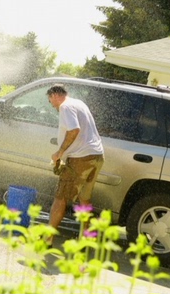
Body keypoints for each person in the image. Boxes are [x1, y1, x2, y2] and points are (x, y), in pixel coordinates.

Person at [46, 83, 104, 246]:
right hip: (96, 156)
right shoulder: (79, 103)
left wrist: (60, 152)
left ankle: (47, 239)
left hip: (81, 159)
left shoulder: (65, 106)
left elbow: (74, 130)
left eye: (50, 101)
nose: (52, 105)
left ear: (54, 95)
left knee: (60, 198)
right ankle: (87, 239)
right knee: (84, 199)